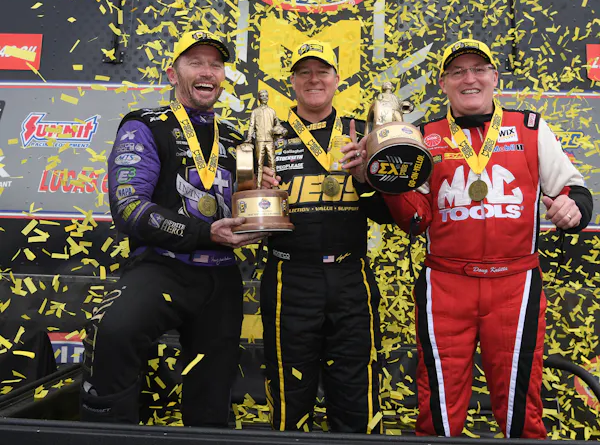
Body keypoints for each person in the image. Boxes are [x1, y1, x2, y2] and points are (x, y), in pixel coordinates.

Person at [382, 38, 593, 438]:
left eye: (479, 69)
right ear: (443, 83)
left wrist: (573, 208)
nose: (469, 79)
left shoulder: (530, 128)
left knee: (520, 407)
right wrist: (386, 181)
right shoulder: (423, 136)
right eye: (457, 72)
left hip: (515, 283)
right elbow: (414, 220)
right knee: (438, 409)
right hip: (446, 284)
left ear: (495, 77)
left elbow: (573, 189)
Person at [80, 30, 265, 426]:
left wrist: (262, 201)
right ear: (172, 74)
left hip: (221, 278)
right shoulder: (145, 125)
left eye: (215, 64)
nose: (208, 71)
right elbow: (129, 208)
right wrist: (204, 233)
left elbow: (246, 209)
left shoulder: (238, 140)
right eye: (195, 63)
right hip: (162, 267)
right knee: (112, 332)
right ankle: (105, 433)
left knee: (212, 393)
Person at [259, 39, 393, 433]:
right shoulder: (269, 137)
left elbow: (389, 215)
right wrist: (256, 189)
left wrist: (365, 178)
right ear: (292, 81)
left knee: (356, 391)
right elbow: (249, 216)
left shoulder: (364, 135)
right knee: (290, 394)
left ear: (337, 79)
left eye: (322, 72)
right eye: (304, 72)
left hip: (350, 276)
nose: (313, 79)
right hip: (289, 277)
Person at [247, 89, 286, 188]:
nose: (264, 98)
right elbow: (251, 125)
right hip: (259, 140)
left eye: (266, 96)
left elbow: (277, 124)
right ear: (259, 98)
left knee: (272, 163)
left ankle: (274, 185)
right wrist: (249, 138)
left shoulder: (272, 111)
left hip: (270, 140)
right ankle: (258, 186)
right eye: (262, 96)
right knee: (259, 164)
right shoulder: (255, 112)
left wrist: (281, 130)